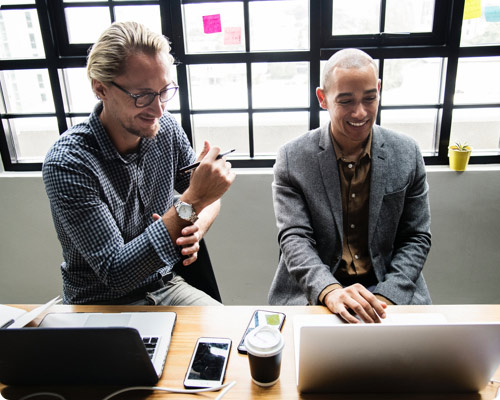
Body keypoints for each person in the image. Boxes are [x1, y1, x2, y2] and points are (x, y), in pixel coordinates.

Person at [43, 21, 235, 305]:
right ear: (101, 89)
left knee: (230, 336)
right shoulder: (69, 163)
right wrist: (191, 203)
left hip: (166, 285)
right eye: (142, 95)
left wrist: (196, 228)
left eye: (164, 91)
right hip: (99, 303)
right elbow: (117, 274)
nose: (158, 109)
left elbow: (205, 197)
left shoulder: (166, 128)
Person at [268, 48, 432, 323]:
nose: (361, 112)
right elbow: (294, 238)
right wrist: (330, 290)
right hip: (319, 289)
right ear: (323, 98)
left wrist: (383, 298)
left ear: (379, 89)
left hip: (388, 287)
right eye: (346, 101)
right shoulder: (292, 158)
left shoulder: (407, 153)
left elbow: (416, 237)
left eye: (370, 98)